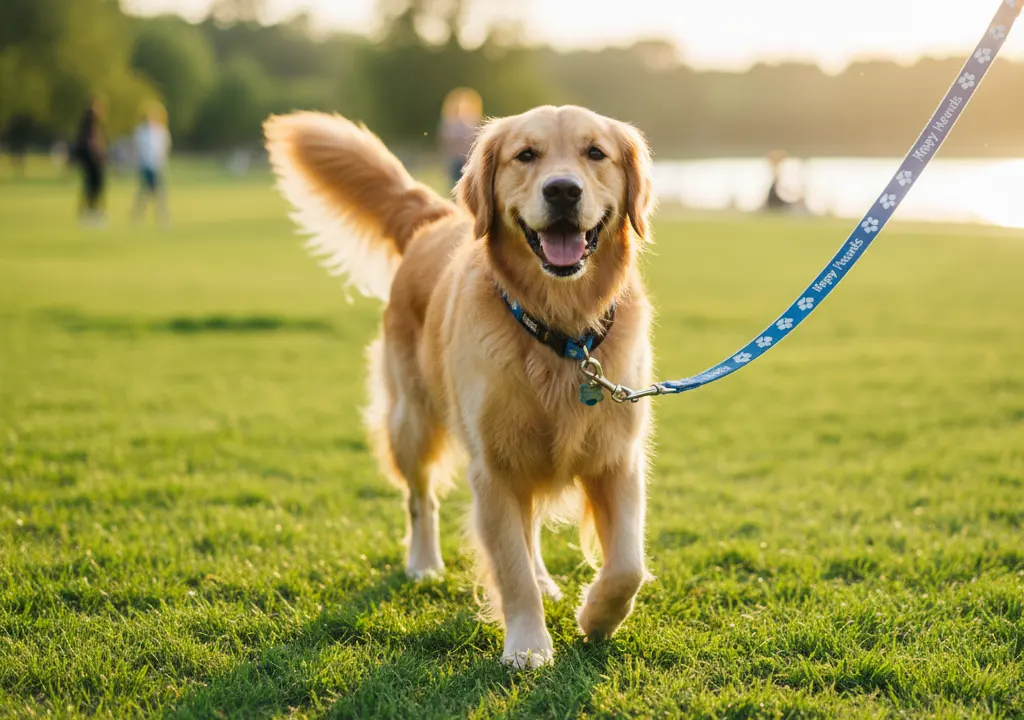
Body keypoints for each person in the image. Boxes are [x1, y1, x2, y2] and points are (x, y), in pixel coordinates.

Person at [131, 104, 172, 225]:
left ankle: (161, 216)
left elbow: (165, 148)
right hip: (145, 165)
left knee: (159, 192)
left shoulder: (162, 132)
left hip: (157, 165)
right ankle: (138, 215)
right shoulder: (140, 131)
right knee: (144, 192)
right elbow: (137, 149)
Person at [74, 96, 108, 227]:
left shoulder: (92, 124)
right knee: (93, 186)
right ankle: (90, 212)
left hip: (93, 160)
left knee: (92, 186)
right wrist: (98, 155)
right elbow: (90, 143)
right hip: (92, 161)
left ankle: (91, 211)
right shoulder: (89, 124)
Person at [438, 87, 482, 189]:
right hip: (454, 159)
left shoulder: (468, 122)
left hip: (465, 158)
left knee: (465, 185)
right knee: (454, 184)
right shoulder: (449, 124)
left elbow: (472, 140)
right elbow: (445, 142)